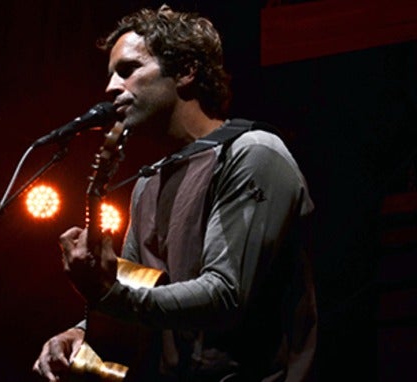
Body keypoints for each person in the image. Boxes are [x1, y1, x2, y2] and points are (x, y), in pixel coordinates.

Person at [32, 5, 317, 381]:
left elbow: (224, 295)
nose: (110, 87)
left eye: (128, 70)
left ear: (185, 71)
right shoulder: (149, 184)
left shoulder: (253, 152)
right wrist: (81, 334)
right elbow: (133, 297)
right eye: (110, 74)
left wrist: (108, 297)